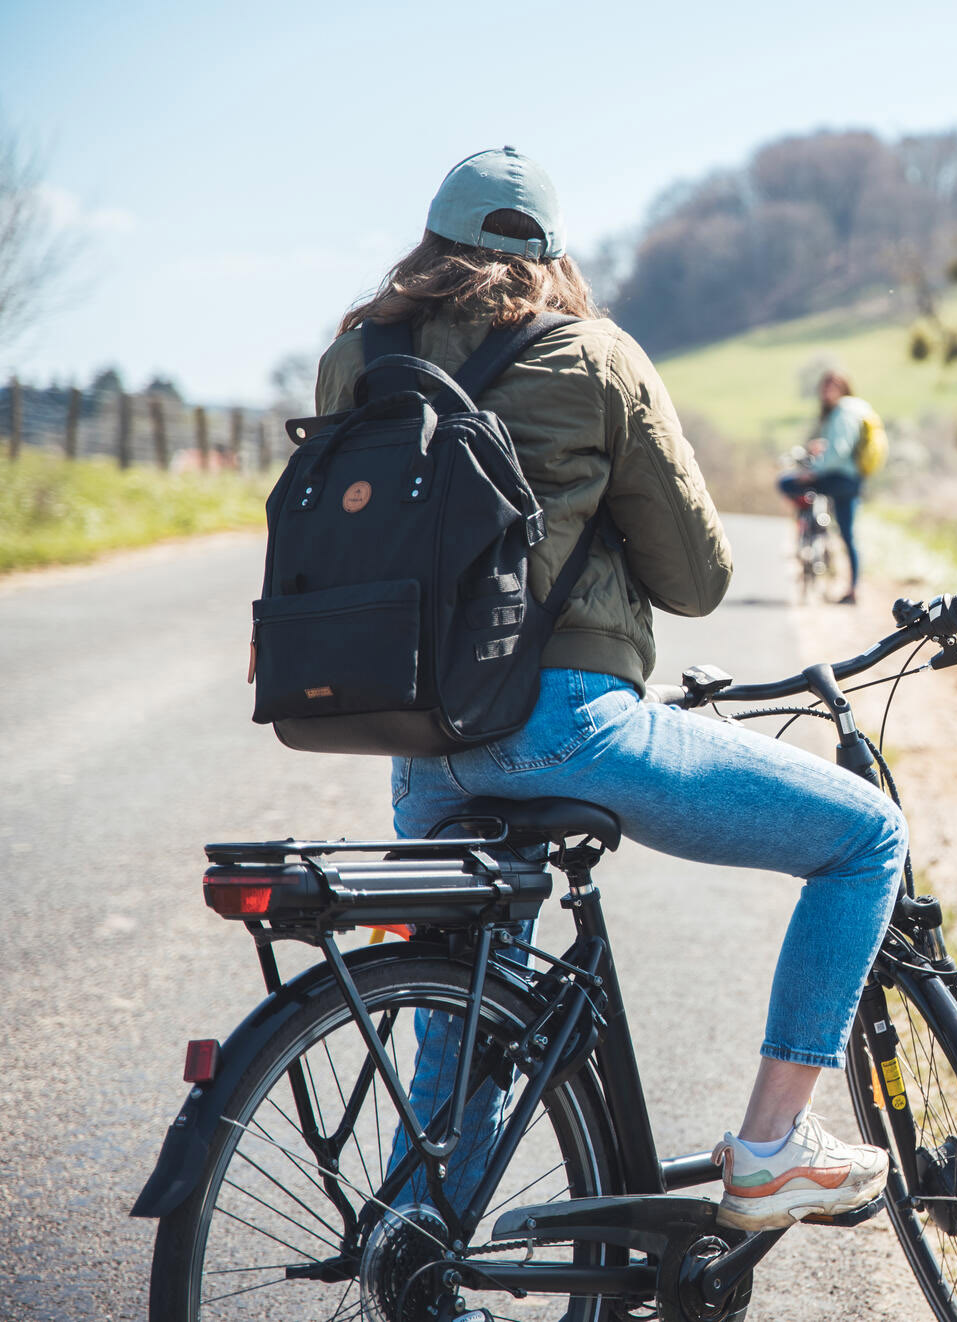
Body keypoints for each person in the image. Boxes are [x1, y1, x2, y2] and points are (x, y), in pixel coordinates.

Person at [313, 147, 904, 1231]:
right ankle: (771, 1147)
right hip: (564, 726)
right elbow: (698, 579)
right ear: (550, 254)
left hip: (418, 743)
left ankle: (422, 1254)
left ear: (431, 243)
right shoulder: (594, 357)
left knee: (465, 1026)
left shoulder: (357, 357)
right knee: (864, 837)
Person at [776, 372, 869, 604]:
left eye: (832, 387)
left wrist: (814, 471)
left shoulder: (842, 412)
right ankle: (853, 589)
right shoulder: (853, 411)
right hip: (852, 480)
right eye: (825, 387)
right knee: (848, 535)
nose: (827, 392)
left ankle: (807, 525)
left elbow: (840, 450)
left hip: (838, 478)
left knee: (786, 482)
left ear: (843, 389)